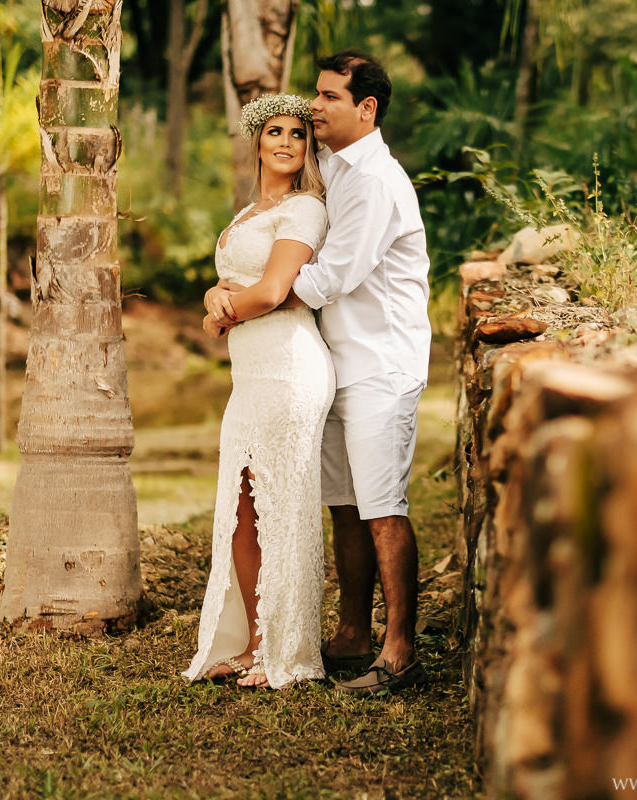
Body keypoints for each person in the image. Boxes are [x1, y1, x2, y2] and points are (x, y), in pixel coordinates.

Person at [215, 51, 432, 694]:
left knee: (382, 506)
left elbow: (333, 275)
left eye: (329, 97)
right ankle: (351, 634)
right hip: (333, 360)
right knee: (344, 504)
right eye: (316, 94)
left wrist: (243, 297)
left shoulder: (377, 182)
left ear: (366, 108)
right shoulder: (333, 167)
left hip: (380, 364)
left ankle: (399, 651)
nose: (314, 107)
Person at [182, 93, 333, 689]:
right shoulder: (247, 214)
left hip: (290, 366)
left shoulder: (305, 210)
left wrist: (222, 315)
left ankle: (286, 652)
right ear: (258, 141)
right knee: (244, 506)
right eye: (275, 131)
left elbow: (271, 292)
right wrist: (211, 301)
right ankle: (251, 643)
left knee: (284, 505)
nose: (287, 142)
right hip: (250, 373)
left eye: (299, 133)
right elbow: (228, 284)